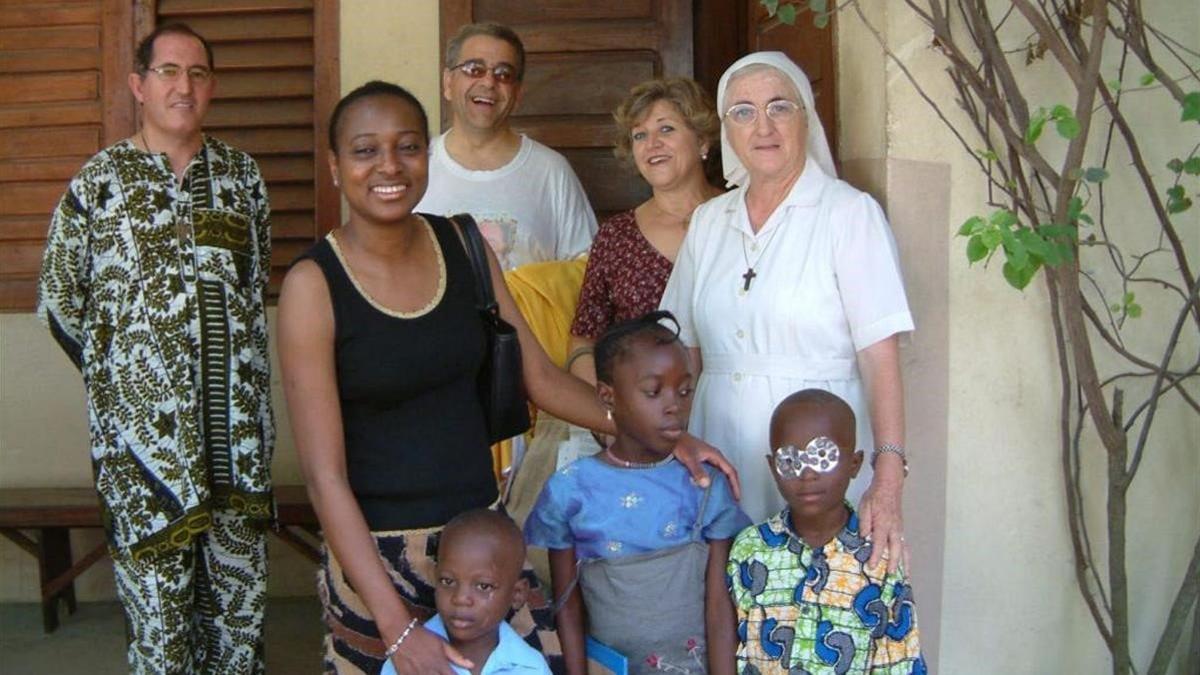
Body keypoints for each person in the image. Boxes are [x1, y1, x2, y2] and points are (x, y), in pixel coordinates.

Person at [276, 81, 737, 675]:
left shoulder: (464, 247)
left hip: (484, 547)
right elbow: (323, 475)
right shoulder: (314, 286)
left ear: (427, 157)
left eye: (408, 147)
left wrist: (660, 436)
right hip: (377, 558)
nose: (389, 166)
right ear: (336, 167)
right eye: (366, 151)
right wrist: (396, 628)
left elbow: (540, 378)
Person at [36, 23, 274, 672]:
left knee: (238, 613)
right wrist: (125, 384)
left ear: (213, 87)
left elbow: (253, 290)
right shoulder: (100, 183)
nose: (183, 85)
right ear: (139, 85)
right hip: (141, 455)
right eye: (168, 71)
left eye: (197, 73)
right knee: (160, 624)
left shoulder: (241, 176)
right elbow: (60, 299)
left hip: (236, 445)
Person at [658, 51, 914, 570]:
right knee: (727, 608)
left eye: (780, 107)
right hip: (721, 448)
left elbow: (879, 356)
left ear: (806, 117)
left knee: (817, 616)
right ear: (727, 130)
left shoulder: (849, 213)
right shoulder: (709, 222)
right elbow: (686, 350)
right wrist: (675, 440)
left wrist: (888, 479)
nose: (764, 126)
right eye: (744, 112)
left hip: (818, 460)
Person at [525, 311, 750, 675]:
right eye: (653, 391)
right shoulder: (571, 489)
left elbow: (720, 604)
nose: (674, 404)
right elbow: (567, 605)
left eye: (684, 390)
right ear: (607, 396)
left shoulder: (705, 486)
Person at [725, 389, 925, 673]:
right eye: (790, 460)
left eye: (822, 456)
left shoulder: (879, 554)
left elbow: (900, 657)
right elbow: (733, 637)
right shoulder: (750, 548)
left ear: (854, 464)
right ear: (772, 467)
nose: (807, 474)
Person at [566, 77, 723, 386]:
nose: (652, 144)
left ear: (702, 141)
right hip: (642, 416)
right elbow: (583, 340)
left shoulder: (740, 217)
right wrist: (610, 411)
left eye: (666, 129)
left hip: (735, 405)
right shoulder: (616, 236)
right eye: (640, 135)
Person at [417, 22, 596, 270]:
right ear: (448, 82)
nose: (489, 82)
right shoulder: (417, 165)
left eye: (503, 74)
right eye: (474, 69)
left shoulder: (551, 170)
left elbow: (585, 270)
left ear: (518, 92)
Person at [381, 510, 551, 675]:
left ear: (517, 594)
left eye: (483, 586)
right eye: (448, 581)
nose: (460, 598)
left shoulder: (531, 668)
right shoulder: (413, 660)